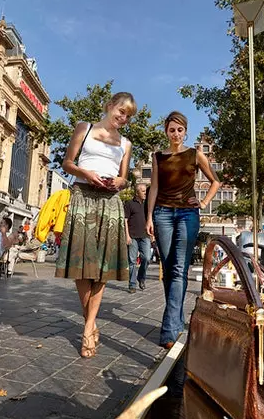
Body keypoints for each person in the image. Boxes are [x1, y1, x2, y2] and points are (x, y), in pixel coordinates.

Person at [55, 91, 136, 359]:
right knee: (82, 265)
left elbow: (125, 178)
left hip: (110, 201)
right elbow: (67, 163)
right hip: (83, 196)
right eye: (121, 111)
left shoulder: (126, 143)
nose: (123, 118)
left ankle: (88, 327)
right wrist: (85, 172)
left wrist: (120, 182)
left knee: (101, 268)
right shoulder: (84, 127)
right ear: (110, 106)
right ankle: (91, 323)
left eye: (127, 115)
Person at [146, 111, 221, 349]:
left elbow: (215, 181)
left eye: (180, 130)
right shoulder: (158, 157)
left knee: (179, 269)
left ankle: (169, 330)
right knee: (168, 270)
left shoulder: (195, 154)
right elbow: (154, 188)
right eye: (171, 130)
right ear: (166, 132)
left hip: (188, 215)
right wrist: (149, 216)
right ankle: (176, 322)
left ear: (185, 131)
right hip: (162, 214)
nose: (176, 134)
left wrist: (203, 202)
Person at [124, 183, 150, 293]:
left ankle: (141, 278)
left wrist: (152, 234)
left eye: (145, 191)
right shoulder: (129, 203)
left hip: (145, 235)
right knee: (132, 261)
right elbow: (125, 220)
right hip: (133, 236)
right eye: (143, 191)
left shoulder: (147, 204)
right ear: (137, 192)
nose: (145, 193)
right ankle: (132, 284)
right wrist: (127, 236)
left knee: (147, 258)